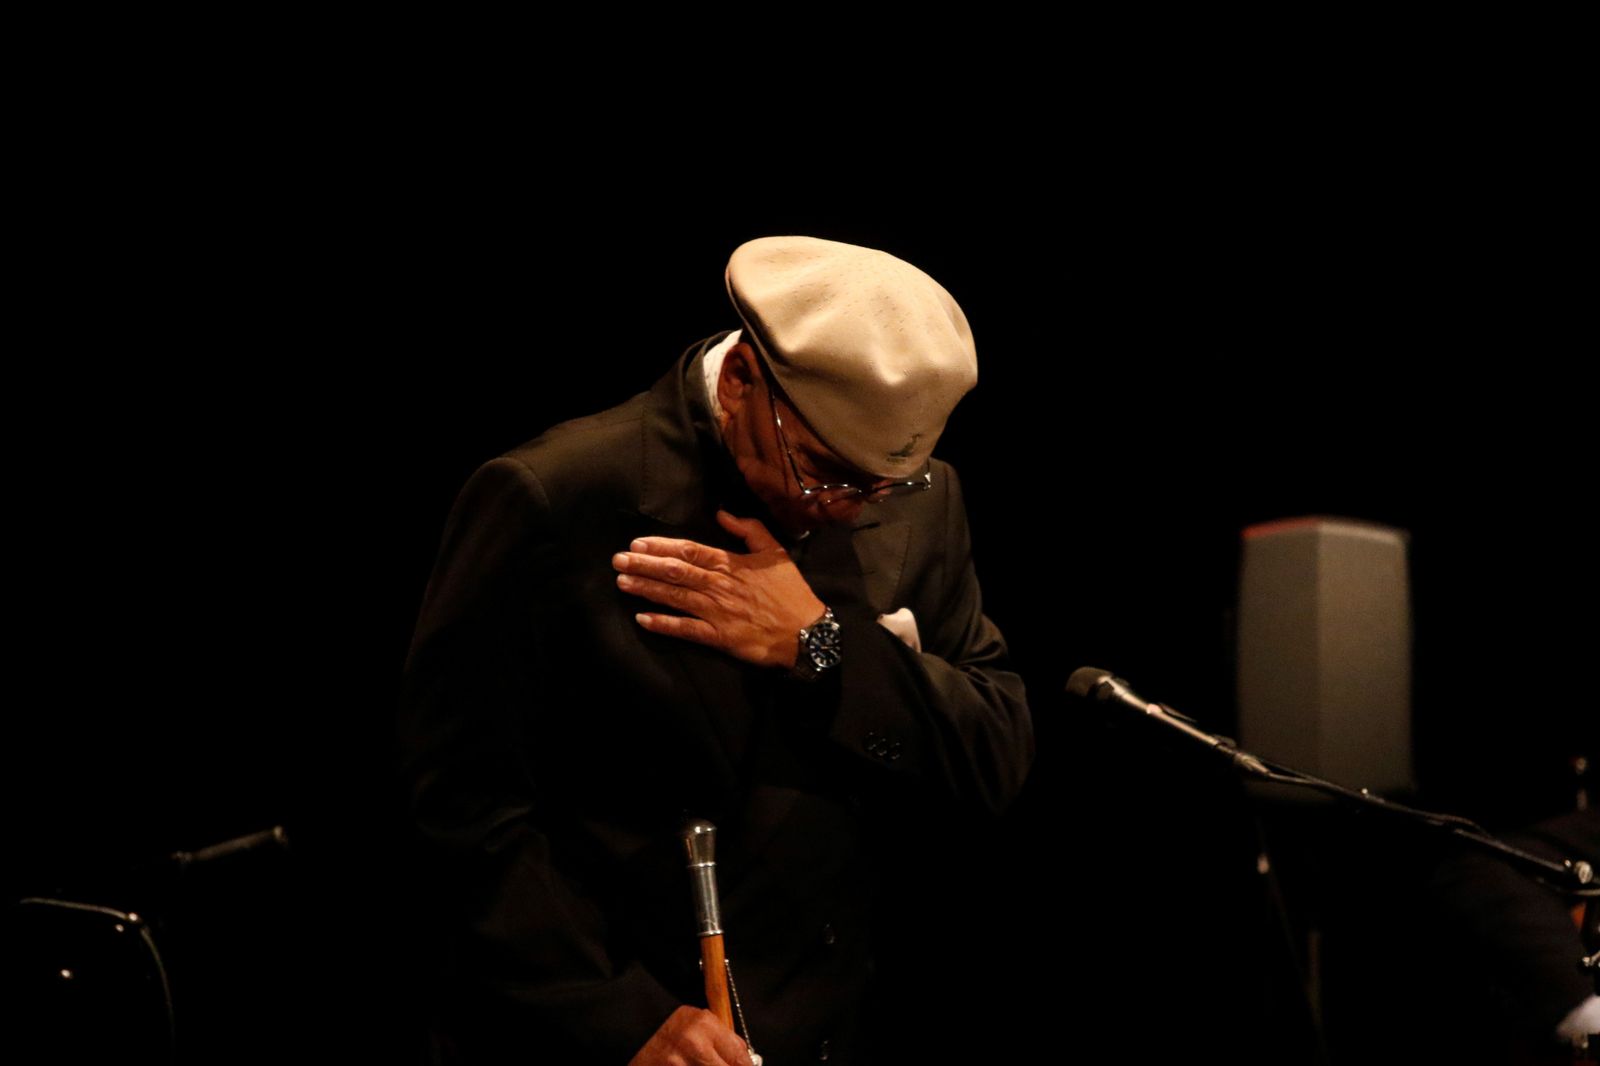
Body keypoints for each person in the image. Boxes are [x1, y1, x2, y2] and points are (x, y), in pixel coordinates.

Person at [398, 236, 1034, 1065]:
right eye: (820, 474)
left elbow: (995, 753)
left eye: (880, 489)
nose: (848, 512)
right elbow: (458, 807)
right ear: (741, 381)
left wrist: (822, 647)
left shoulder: (923, 498)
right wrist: (622, 1015)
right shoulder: (555, 497)